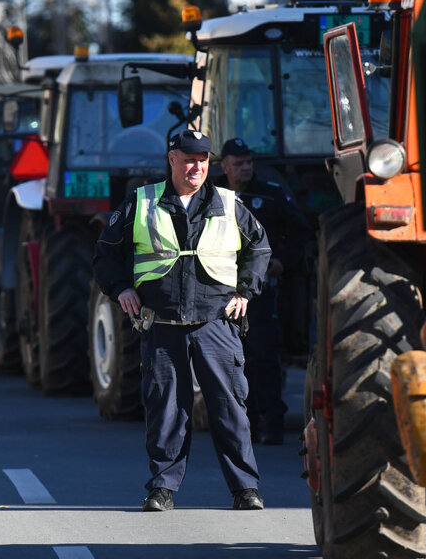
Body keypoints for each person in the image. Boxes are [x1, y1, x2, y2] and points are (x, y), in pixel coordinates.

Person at [93, 129, 271, 512]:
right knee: (166, 409)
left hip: (215, 323)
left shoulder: (228, 202)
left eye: (203, 160)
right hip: (162, 323)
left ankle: (245, 489)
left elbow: (260, 247)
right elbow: (106, 253)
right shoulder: (141, 202)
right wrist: (121, 287)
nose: (196, 167)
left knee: (229, 408)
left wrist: (245, 291)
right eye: (189, 159)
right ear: (171, 159)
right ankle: (162, 489)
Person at [215, 138, 312, 445]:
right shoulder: (211, 194)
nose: (245, 168)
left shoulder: (268, 194)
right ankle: (241, 422)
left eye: (249, 162)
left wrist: (283, 261)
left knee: (262, 355)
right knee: (227, 357)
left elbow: (300, 230)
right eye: (238, 163)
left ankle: (271, 422)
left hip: (257, 290)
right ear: (225, 166)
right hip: (217, 291)